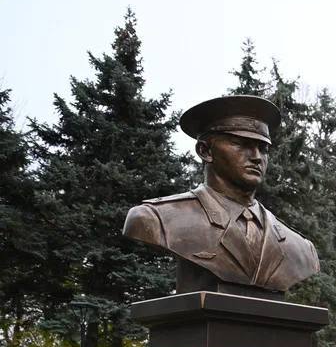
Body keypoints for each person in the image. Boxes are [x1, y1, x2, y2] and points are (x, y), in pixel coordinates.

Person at [124, 95, 319, 294]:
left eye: (263, 148)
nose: (257, 157)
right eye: (241, 144)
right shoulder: (156, 220)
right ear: (205, 151)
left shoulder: (301, 249)